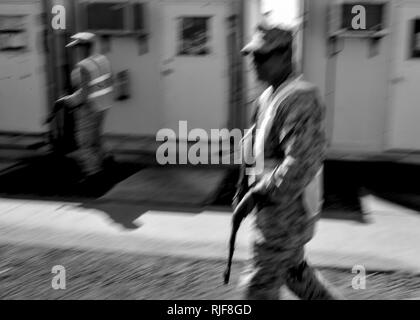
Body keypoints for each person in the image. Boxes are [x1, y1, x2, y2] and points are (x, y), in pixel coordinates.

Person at [234, 25, 342, 300]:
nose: (253, 63)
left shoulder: (301, 98)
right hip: (272, 213)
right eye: (252, 56)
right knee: (295, 275)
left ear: (285, 56)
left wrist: (258, 192)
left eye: (261, 56)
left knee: (257, 289)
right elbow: (252, 142)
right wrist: (241, 185)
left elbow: (301, 163)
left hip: (286, 216)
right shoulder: (267, 96)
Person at [51, 32, 114, 180]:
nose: (76, 50)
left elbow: (84, 94)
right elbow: (110, 82)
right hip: (103, 106)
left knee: (85, 142)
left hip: (89, 108)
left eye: (77, 47)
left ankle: (93, 173)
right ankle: (104, 160)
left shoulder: (83, 66)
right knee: (96, 139)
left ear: (84, 47)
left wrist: (65, 100)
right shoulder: (102, 60)